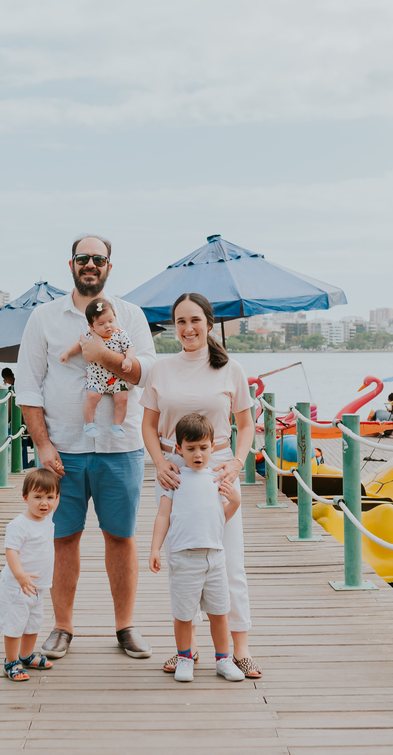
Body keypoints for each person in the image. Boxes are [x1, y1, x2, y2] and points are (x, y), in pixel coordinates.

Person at [17, 233, 157, 660]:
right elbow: (28, 385)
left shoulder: (130, 315)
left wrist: (106, 356)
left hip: (122, 447)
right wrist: (42, 444)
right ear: (72, 264)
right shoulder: (44, 317)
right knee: (63, 538)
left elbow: (147, 372)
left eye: (99, 258)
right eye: (83, 258)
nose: (90, 264)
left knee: (121, 537)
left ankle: (125, 627)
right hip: (64, 449)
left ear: (109, 266)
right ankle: (62, 628)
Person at [140, 292, 262, 679]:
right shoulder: (161, 368)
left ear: (208, 323)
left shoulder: (231, 369)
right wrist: (160, 464)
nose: (188, 328)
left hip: (220, 467)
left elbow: (245, 426)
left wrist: (238, 464)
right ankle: (185, 650)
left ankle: (238, 649)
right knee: (182, 561)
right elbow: (147, 424)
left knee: (229, 560)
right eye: (180, 321)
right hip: (173, 470)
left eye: (195, 320)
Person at [148, 413, 245, 682]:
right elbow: (163, 516)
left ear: (213, 447)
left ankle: (223, 660)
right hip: (183, 557)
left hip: (214, 557)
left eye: (203, 447)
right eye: (190, 449)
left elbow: (220, 518)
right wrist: (155, 548)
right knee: (183, 614)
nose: (198, 454)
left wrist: (234, 501)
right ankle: (184, 657)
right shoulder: (174, 478)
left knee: (219, 613)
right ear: (179, 449)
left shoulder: (217, 478)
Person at [0, 468, 61, 681]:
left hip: (39, 586)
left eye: (50, 498)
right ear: (25, 498)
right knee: (15, 624)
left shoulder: (48, 517)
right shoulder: (19, 525)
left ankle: (26, 655)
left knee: (34, 622)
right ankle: (11, 660)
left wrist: (58, 474)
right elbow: (11, 552)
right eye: (38, 497)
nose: (44, 503)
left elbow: (55, 497)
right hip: (18, 586)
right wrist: (20, 575)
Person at [59, 300, 137, 438]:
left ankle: (117, 425)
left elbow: (130, 348)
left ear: (115, 317)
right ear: (91, 326)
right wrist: (67, 353)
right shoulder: (89, 336)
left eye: (111, 321)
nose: (108, 326)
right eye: (101, 324)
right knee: (92, 398)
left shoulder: (120, 334)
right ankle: (89, 424)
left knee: (123, 399)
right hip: (97, 377)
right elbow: (79, 344)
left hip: (117, 377)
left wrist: (128, 359)